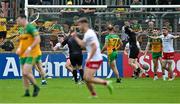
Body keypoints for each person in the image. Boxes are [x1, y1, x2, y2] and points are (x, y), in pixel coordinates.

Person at [72, 17, 113, 97]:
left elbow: (94, 47)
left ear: (84, 24)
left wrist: (89, 58)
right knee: (85, 78)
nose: (78, 27)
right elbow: (83, 45)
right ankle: (93, 94)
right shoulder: (88, 33)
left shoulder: (89, 34)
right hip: (92, 59)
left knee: (88, 78)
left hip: (95, 59)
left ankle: (106, 83)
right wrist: (75, 37)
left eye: (79, 25)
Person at [16, 14, 40, 97]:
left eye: (18, 20)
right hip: (23, 54)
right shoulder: (22, 29)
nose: (17, 22)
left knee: (25, 72)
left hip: (32, 53)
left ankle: (36, 87)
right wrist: (19, 48)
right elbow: (22, 41)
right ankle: (27, 92)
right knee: (24, 74)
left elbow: (38, 39)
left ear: (23, 19)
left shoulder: (30, 27)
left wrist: (30, 47)